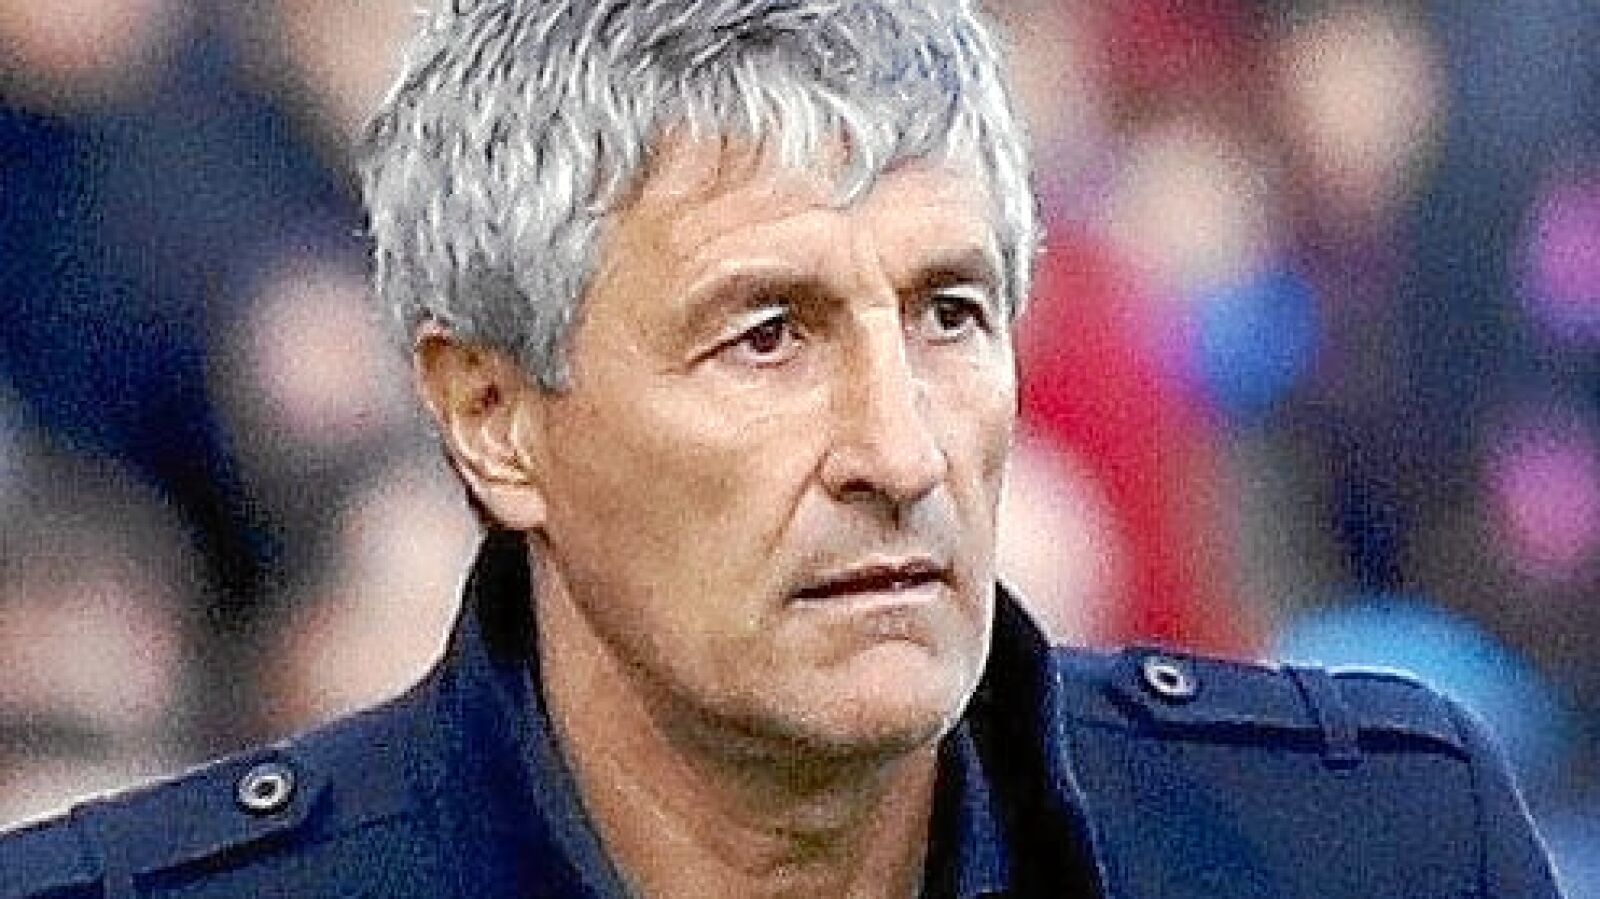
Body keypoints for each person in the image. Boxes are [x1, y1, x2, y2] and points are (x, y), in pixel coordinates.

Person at [0, 1, 1559, 896]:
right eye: (767, 334)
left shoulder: (1375, 850)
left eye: (951, 313)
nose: (902, 451)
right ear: (491, 415)